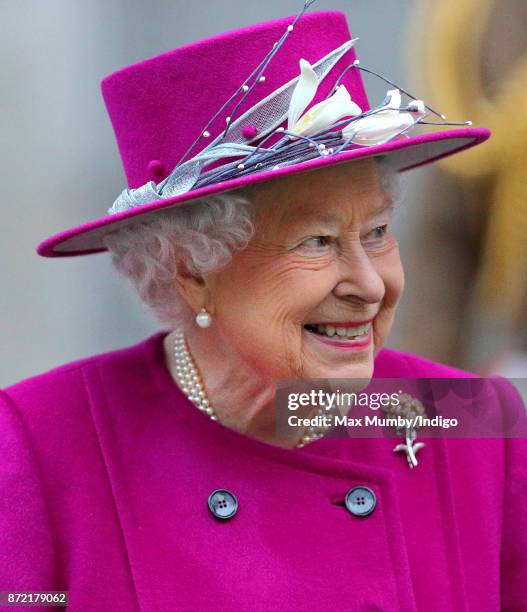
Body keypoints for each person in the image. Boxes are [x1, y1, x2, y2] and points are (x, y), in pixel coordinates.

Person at [1, 6, 526, 611]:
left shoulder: (474, 421)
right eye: (318, 241)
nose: (370, 284)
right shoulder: (42, 443)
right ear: (192, 269)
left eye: (378, 231)